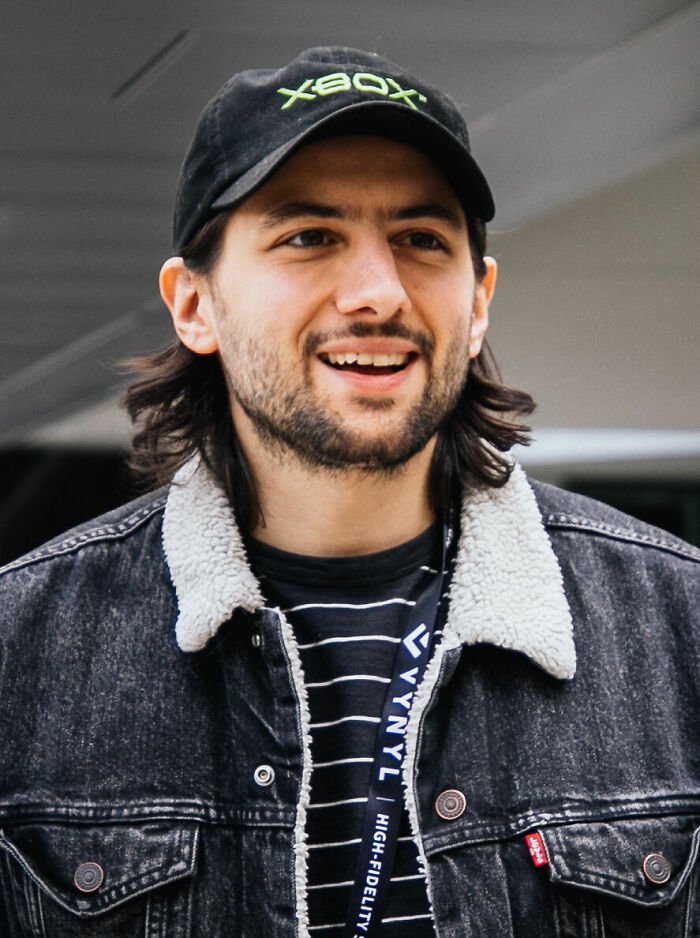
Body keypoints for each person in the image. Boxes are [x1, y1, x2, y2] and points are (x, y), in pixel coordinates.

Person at [0, 45, 698, 938]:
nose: (376, 292)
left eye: (421, 240)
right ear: (193, 305)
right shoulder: (26, 654)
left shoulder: (677, 629)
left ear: (477, 301)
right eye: (308, 236)